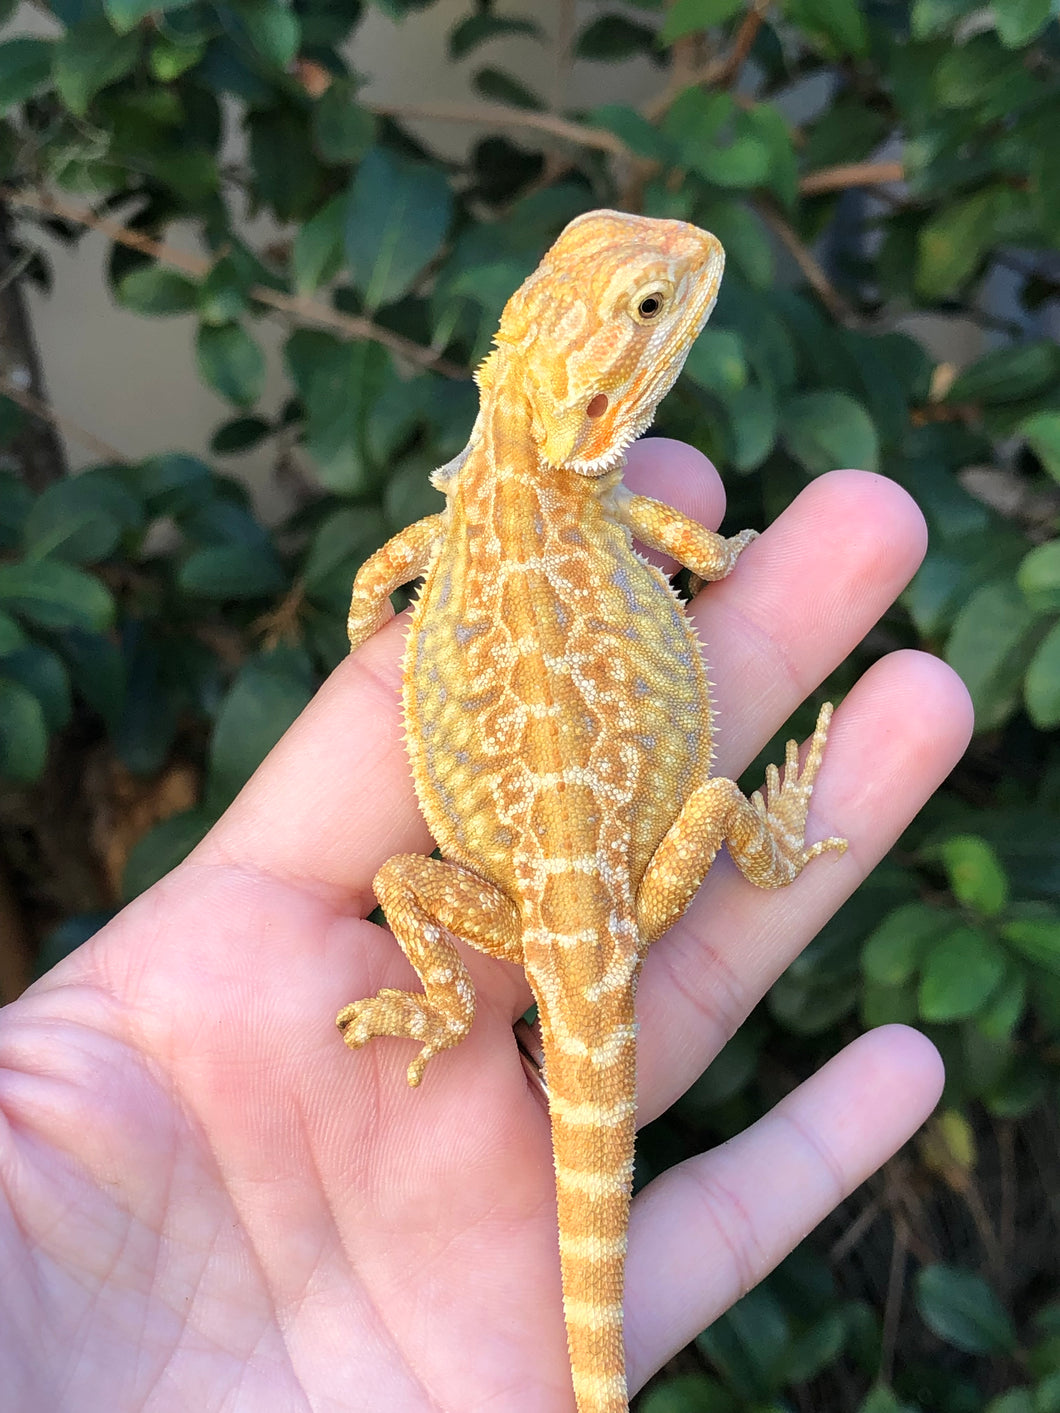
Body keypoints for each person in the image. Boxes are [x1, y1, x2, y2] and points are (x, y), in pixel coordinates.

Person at [0, 443, 970, 1411]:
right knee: (709, 801)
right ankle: (772, 859)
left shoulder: (556, 521)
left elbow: (388, 579)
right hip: (604, 912)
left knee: (438, 868)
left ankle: (448, 1003)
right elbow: (679, 555)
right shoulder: (545, 525)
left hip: (546, 924)